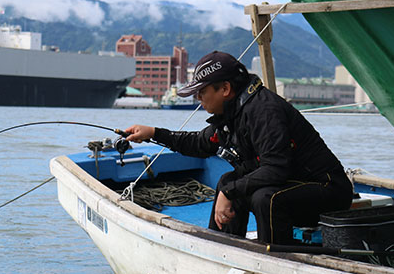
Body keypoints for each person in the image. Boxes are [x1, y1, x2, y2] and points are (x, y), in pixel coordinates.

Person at [124, 51, 353, 244]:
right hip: (293, 182)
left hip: (328, 189)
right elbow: (200, 143)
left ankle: (274, 262)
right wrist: (153, 133)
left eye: (202, 92)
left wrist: (229, 192)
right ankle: (220, 249)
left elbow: (276, 168)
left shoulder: (264, 111)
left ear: (224, 88)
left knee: (265, 198)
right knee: (228, 180)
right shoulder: (233, 112)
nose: (199, 99)